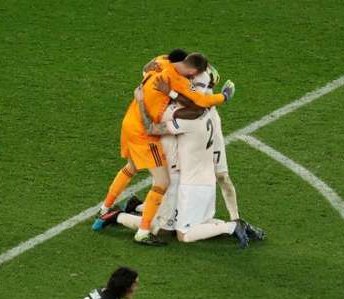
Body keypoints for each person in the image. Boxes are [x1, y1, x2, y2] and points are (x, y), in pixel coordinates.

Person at [100, 71, 264, 247]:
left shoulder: (178, 114)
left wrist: (142, 100)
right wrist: (223, 96)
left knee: (168, 229)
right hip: (189, 175)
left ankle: (124, 213)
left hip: (181, 176)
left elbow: (151, 127)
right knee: (166, 227)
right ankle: (127, 211)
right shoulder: (211, 113)